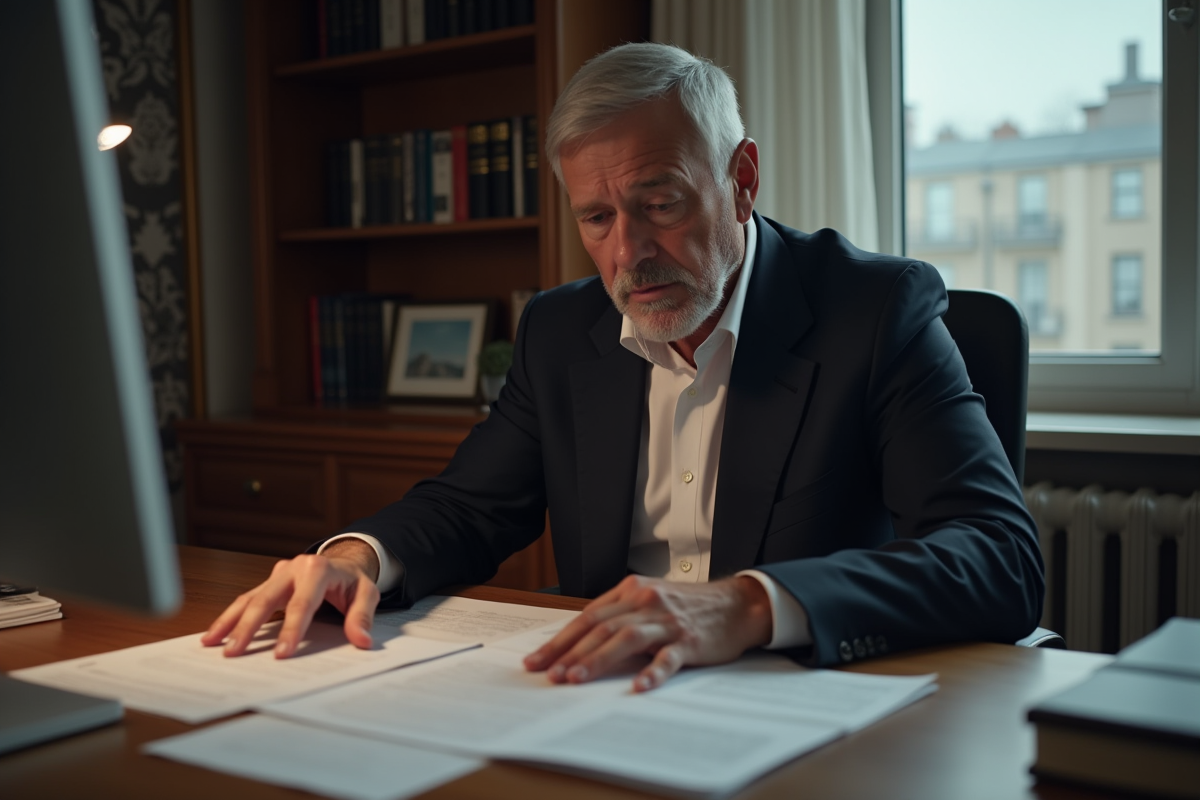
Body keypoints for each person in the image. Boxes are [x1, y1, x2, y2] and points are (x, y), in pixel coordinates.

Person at [203, 43, 1044, 691]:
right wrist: (356, 557)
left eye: (660, 204)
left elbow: (998, 556)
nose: (629, 254)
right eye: (597, 217)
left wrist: (747, 604)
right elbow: (469, 507)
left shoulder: (875, 310)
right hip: (608, 695)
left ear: (741, 179)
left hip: (797, 699)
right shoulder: (561, 328)